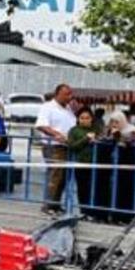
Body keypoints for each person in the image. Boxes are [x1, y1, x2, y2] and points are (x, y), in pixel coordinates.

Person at [35, 83, 77, 215]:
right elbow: (41, 125)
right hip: (53, 146)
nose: (69, 97)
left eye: (70, 94)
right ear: (58, 94)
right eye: (66, 94)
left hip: (67, 146)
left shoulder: (69, 109)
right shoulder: (48, 107)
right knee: (55, 175)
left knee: (64, 177)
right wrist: (56, 134)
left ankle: (56, 204)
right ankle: (48, 205)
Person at [66, 106, 104, 220]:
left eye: (87, 118)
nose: (84, 120)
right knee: (82, 188)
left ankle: (94, 211)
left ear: (91, 118)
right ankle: (84, 211)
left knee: (95, 187)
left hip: (96, 163)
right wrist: (85, 139)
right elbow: (72, 146)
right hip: (81, 163)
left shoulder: (97, 129)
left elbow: (103, 140)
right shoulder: (74, 130)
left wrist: (96, 140)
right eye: (82, 118)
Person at [104, 112, 135, 223]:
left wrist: (119, 136)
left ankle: (125, 216)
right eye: (112, 122)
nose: (114, 124)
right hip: (114, 165)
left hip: (128, 165)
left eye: (117, 122)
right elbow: (104, 139)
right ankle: (113, 215)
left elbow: (130, 141)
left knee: (126, 190)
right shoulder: (109, 131)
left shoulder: (132, 130)